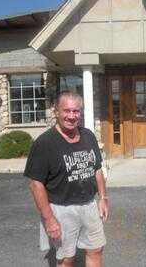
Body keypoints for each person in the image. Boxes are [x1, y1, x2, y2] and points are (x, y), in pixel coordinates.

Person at [24, 92, 109, 267]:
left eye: (76, 111)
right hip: (61, 210)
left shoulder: (88, 136)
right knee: (66, 258)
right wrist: (49, 219)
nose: (71, 116)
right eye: (67, 111)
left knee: (96, 249)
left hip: (89, 206)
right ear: (56, 112)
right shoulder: (44, 143)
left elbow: (97, 168)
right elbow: (35, 184)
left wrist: (102, 198)